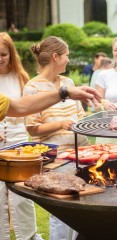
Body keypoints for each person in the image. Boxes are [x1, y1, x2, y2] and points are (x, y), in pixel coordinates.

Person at [24, 36, 91, 240]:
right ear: (55, 57)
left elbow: (79, 117)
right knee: (61, 213)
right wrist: (61, 124)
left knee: (82, 210)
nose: (68, 60)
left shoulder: (68, 82)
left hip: (81, 155)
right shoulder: (32, 88)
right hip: (57, 159)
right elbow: (33, 128)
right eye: (66, 56)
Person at [0, 32, 43, 240]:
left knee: (21, 194)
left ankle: (29, 235)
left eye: (3, 54)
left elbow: (29, 111)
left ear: (11, 54)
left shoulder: (21, 78)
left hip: (18, 143)